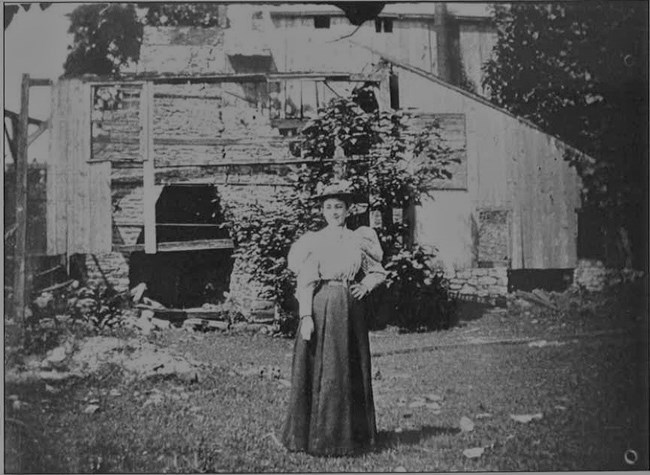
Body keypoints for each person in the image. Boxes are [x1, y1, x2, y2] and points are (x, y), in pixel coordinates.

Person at [281, 181, 386, 456]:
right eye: (328, 207)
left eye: (339, 207)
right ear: (322, 211)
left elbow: (377, 271)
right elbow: (305, 281)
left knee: (348, 368)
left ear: (348, 210)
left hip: (351, 308)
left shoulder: (359, 239)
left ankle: (352, 437)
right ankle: (318, 437)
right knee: (322, 369)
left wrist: (366, 286)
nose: (334, 212)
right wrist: (306, 316)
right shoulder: (314, 241)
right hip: (322, 302)